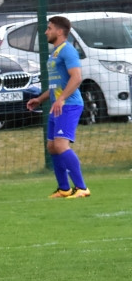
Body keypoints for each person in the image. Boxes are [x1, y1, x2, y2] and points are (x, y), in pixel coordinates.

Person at [25, 15, 90, 198]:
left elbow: (76, 78)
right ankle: (64, 189)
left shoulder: (68, 51)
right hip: (58, 105)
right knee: (53, 147)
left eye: (49, 28)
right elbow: (56, 85)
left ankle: (82, 188)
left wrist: (61, 99)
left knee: (61, 145)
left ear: (60, 31)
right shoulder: (55, 52)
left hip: (69, 105)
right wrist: (40, 99)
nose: (46, 31)